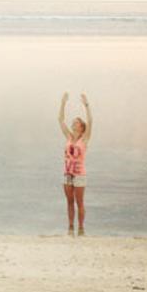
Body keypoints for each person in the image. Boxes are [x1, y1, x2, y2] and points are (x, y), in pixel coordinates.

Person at [58, 91, 92, 236]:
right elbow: (60, 120)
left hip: (79, 175)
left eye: (76, 122)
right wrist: (63, 102)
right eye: (73, 122)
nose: (73, 123)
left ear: (81, 127)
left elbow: (90, 121)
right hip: (67, 173)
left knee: (79, 202)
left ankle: (81, 228)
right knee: (69, 202)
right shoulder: (69, 137)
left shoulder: (84, 139)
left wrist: (86, 105)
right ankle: (70, 228)